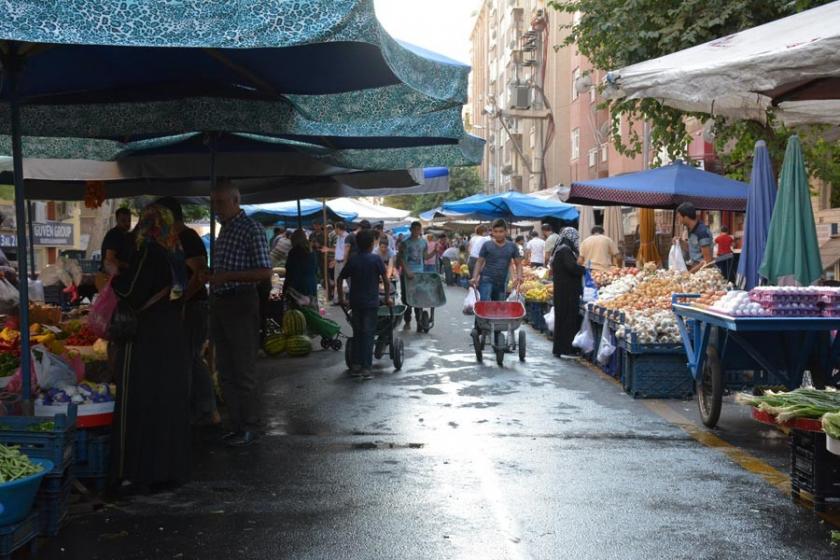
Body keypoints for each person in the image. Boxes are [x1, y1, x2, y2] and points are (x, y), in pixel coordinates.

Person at [110, 204, 190, 493]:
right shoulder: (175, 251)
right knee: (167, 399)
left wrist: (113, 276)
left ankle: (138, 470)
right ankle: (169, 468)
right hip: (171, 333)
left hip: (148, 335)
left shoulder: (150, 251)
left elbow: (132, 291)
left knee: (141, 397)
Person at [206, 180, 272, 447]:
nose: (216, 208)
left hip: (241, 302)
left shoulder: (251, 229)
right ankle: (236, 424)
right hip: (220, 303)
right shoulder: (224, 230)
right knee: (225, 369)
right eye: (213, 203)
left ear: (235, 201)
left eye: (220, 203)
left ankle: (251, 426)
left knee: (243, 369)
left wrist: (226, 277)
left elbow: (265, 271)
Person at [154, 197, 218, 427]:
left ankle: (202, 410)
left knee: (188, 357)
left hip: (193, 308)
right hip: (188, 307)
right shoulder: (174, 238)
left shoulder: (187, 237)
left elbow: (201, 273)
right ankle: (203, 410)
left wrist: (181, 301)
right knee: (188, 357)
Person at [338, 229, 391, 377]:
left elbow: (340, 278)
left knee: (358, 333)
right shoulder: (376, 260)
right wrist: (387, 298)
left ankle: (355, 365)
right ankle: (366, 367)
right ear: (372, 244)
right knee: (368, 334)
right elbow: (386, 281)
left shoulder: (353, 260)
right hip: (371, 304)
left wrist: (342, 298)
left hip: (355, 303)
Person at [552, 227, 586, 358]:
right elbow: (571, 267)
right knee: (567, 319)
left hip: (562, 290)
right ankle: (566, 348)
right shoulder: (565, 251)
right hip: (567, 292)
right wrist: (584, 270)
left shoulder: (561, 249)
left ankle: (560, 348)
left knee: (562, 319)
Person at [470, 219, 523, 302]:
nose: (498, 234)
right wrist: (474, 277)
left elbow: (518, 263)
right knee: (485, 305)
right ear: (492, 232)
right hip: (486, 279)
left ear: (506, 232)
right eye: (496, 231)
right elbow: (479, 262)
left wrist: (519, 276)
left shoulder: (512, 246)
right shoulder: (487, 245)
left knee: (498, 307)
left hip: (502, 281)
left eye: (501, 231)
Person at [397, 221, 435, 330]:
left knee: (419, 298)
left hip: (419, 274)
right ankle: (407, 321)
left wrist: (435, 252)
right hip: (406, 274)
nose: (417, 231)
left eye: (419, 229)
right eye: (415, 229)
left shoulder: (423, 242)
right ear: (411, 230)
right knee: (407, 299)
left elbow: (425, 257)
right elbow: (401, 259)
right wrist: (407, 271)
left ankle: (419, 322)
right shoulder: (405, 243)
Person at [675, 202, 713, 272]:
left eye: (679, 217)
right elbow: (692, 248)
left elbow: (707, 262)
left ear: (685, 217)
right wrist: (680, 242)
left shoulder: (702, 232)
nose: (678, 220)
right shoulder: (691, 229)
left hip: (702, 273)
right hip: (694, 268)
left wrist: (689, 273)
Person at [283, 229, 318, 302]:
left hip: (299, 287)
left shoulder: (294, 252)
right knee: (310, 310)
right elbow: (315, 270)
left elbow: (291, 272)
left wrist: (285, 289)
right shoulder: (311, 251)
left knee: (299, 311)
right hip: (311, 285)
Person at [101, 207, 133, 276]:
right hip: (111, 278)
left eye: (129, 220)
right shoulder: (114, 235)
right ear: (117, 220)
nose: (127, 223)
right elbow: (110, 259)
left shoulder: (127, 235)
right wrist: (127, 265)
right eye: (123, 221)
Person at [332, 222, 351, 304]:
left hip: (344, 262)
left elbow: (346, 252)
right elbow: (338, 251)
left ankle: (347, 298)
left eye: (335, 228)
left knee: (345, 281)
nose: (334, 230)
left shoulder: (347, 237)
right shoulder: (338, 237)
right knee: (338, 281)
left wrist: (345, 262)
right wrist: (335, 261)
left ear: (338, 228)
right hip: (338, 262)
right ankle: (338, 299)